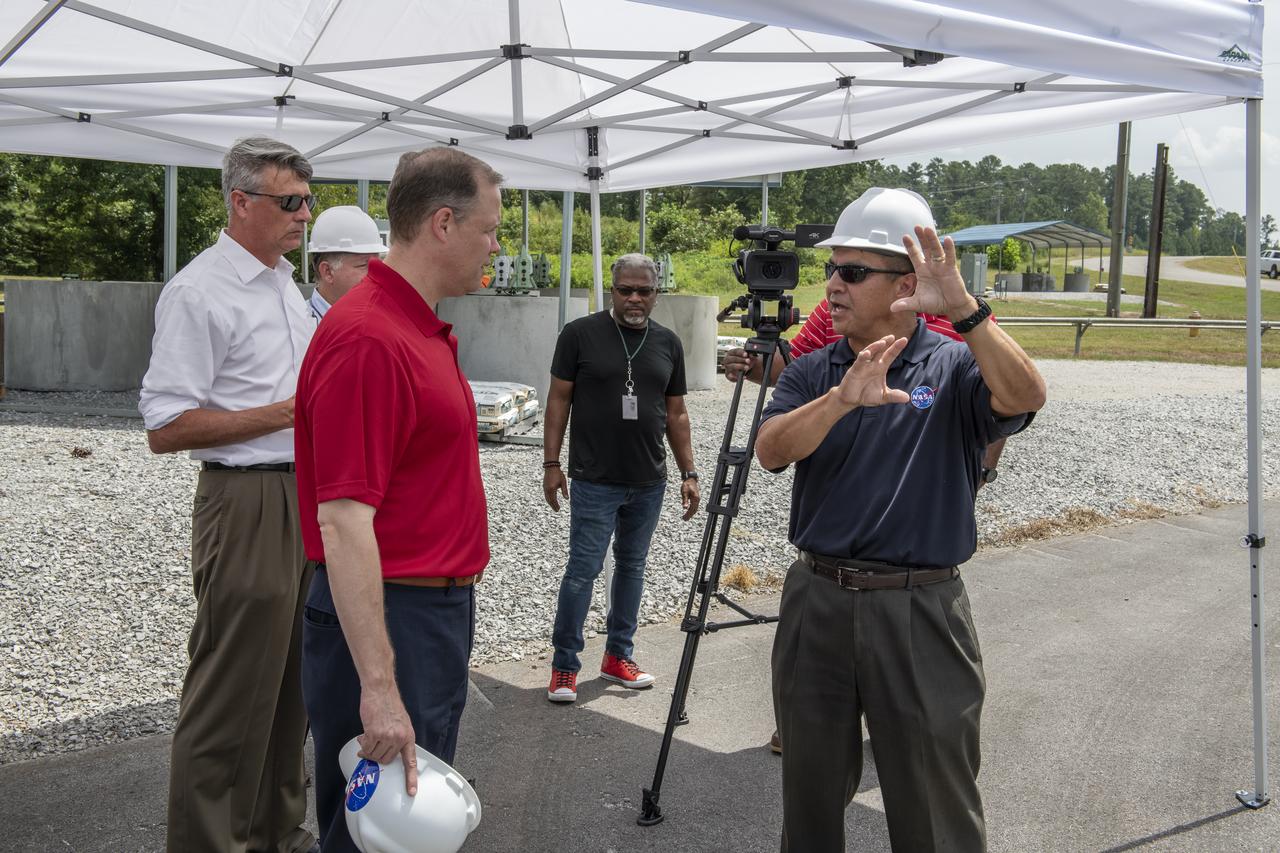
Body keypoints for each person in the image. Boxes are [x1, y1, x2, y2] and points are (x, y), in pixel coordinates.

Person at [755, 187, 1046, 852]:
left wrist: (967, 310)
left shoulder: (952, 368)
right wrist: (838, 401)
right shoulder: (815, 371)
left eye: (853, 271)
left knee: (934, 809)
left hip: (919, 608)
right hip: (817, 602)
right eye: (831, 268)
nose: (833, 283)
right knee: (810, 798)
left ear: (907, 284)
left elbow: (1026, 395)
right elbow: (771, 450)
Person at [294, 146, 502, 851]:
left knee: (403, 830)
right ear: (444, 224)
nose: (496, 246)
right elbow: (343, 518)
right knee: (380, 831)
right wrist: (379, 686)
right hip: (395, 617)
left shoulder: (410, 324)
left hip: (423, 614)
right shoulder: (371, 337)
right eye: (491, 229)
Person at [139, 136, 318, 853]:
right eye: (290, 202)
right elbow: (165, 424)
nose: (305, 215)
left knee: (289, 690)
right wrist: (285, 412)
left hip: (300, 494)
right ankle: (211, 842)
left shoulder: (280, 282)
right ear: (241, 202)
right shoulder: (199, 290)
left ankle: (280, 832)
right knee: (231, 695)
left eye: (309, 200)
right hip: (245, 502)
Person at [543, 254, 701, 703]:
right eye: (625, 290)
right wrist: (551, 464)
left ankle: (618, 656)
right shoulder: (579, 335)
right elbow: (557, 402)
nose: (634, 298)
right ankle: (564, 666)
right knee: (583, 570)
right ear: (611, 290)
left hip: (649, 480)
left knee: (632, 568)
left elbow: (677, 413)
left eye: (644, 291)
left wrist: (688, 471)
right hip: (594, 479)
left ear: (656, 293)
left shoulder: (668, 343)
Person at [306, 204, 387, 320]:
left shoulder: (379, 319)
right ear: (328, 272)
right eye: (363, 265)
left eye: (378, 263)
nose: (376, 274)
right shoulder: (300, 329)